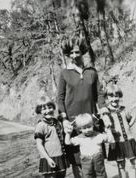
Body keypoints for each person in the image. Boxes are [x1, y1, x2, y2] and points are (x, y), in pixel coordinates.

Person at [57, 38, 105, 177]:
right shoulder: (64, 73)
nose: (74, 55)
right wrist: (64, 119)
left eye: (77, 52)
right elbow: (60, 99)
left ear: (82, 52)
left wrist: (102, 108)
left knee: (96, 158)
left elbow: (100, 94)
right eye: (70, 53)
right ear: (67, 54)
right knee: (78, 162)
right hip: (73, 123)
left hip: (92, 121)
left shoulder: (91, 72)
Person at [101, 83, 136, 178]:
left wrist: (135, 115)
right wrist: (111, 130)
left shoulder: (124, 109)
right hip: (117, 142)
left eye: (116, 96)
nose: (114, 99)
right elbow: (104, 127)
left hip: (128, 140)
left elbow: (129, 124)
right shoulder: (106, 112)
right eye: (111, 96)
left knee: (132, 163)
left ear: (119, 96)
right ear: (107, 98)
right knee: (121, 165)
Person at [65, 113, 114, 178]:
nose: (87, 130)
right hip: (86, 161)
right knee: (87, 175)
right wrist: (68, 133)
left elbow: (110, 139)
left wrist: (108, 130)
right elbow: (67, 142)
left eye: (89, 127)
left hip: (98, 159)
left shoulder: (98, 135)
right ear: (80, 129)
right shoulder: (79, 138)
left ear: (93, 125)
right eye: (84, 128)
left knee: (101, 175)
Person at [34, 95, 69, 178]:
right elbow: (39, 144)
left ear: (53, 108)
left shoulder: (58, 123)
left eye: (50, 107)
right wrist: (48, 158)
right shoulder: (41, 125)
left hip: (60, 157)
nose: (48, 111)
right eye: (44, 109)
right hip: (49, 159)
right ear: (39, 111)